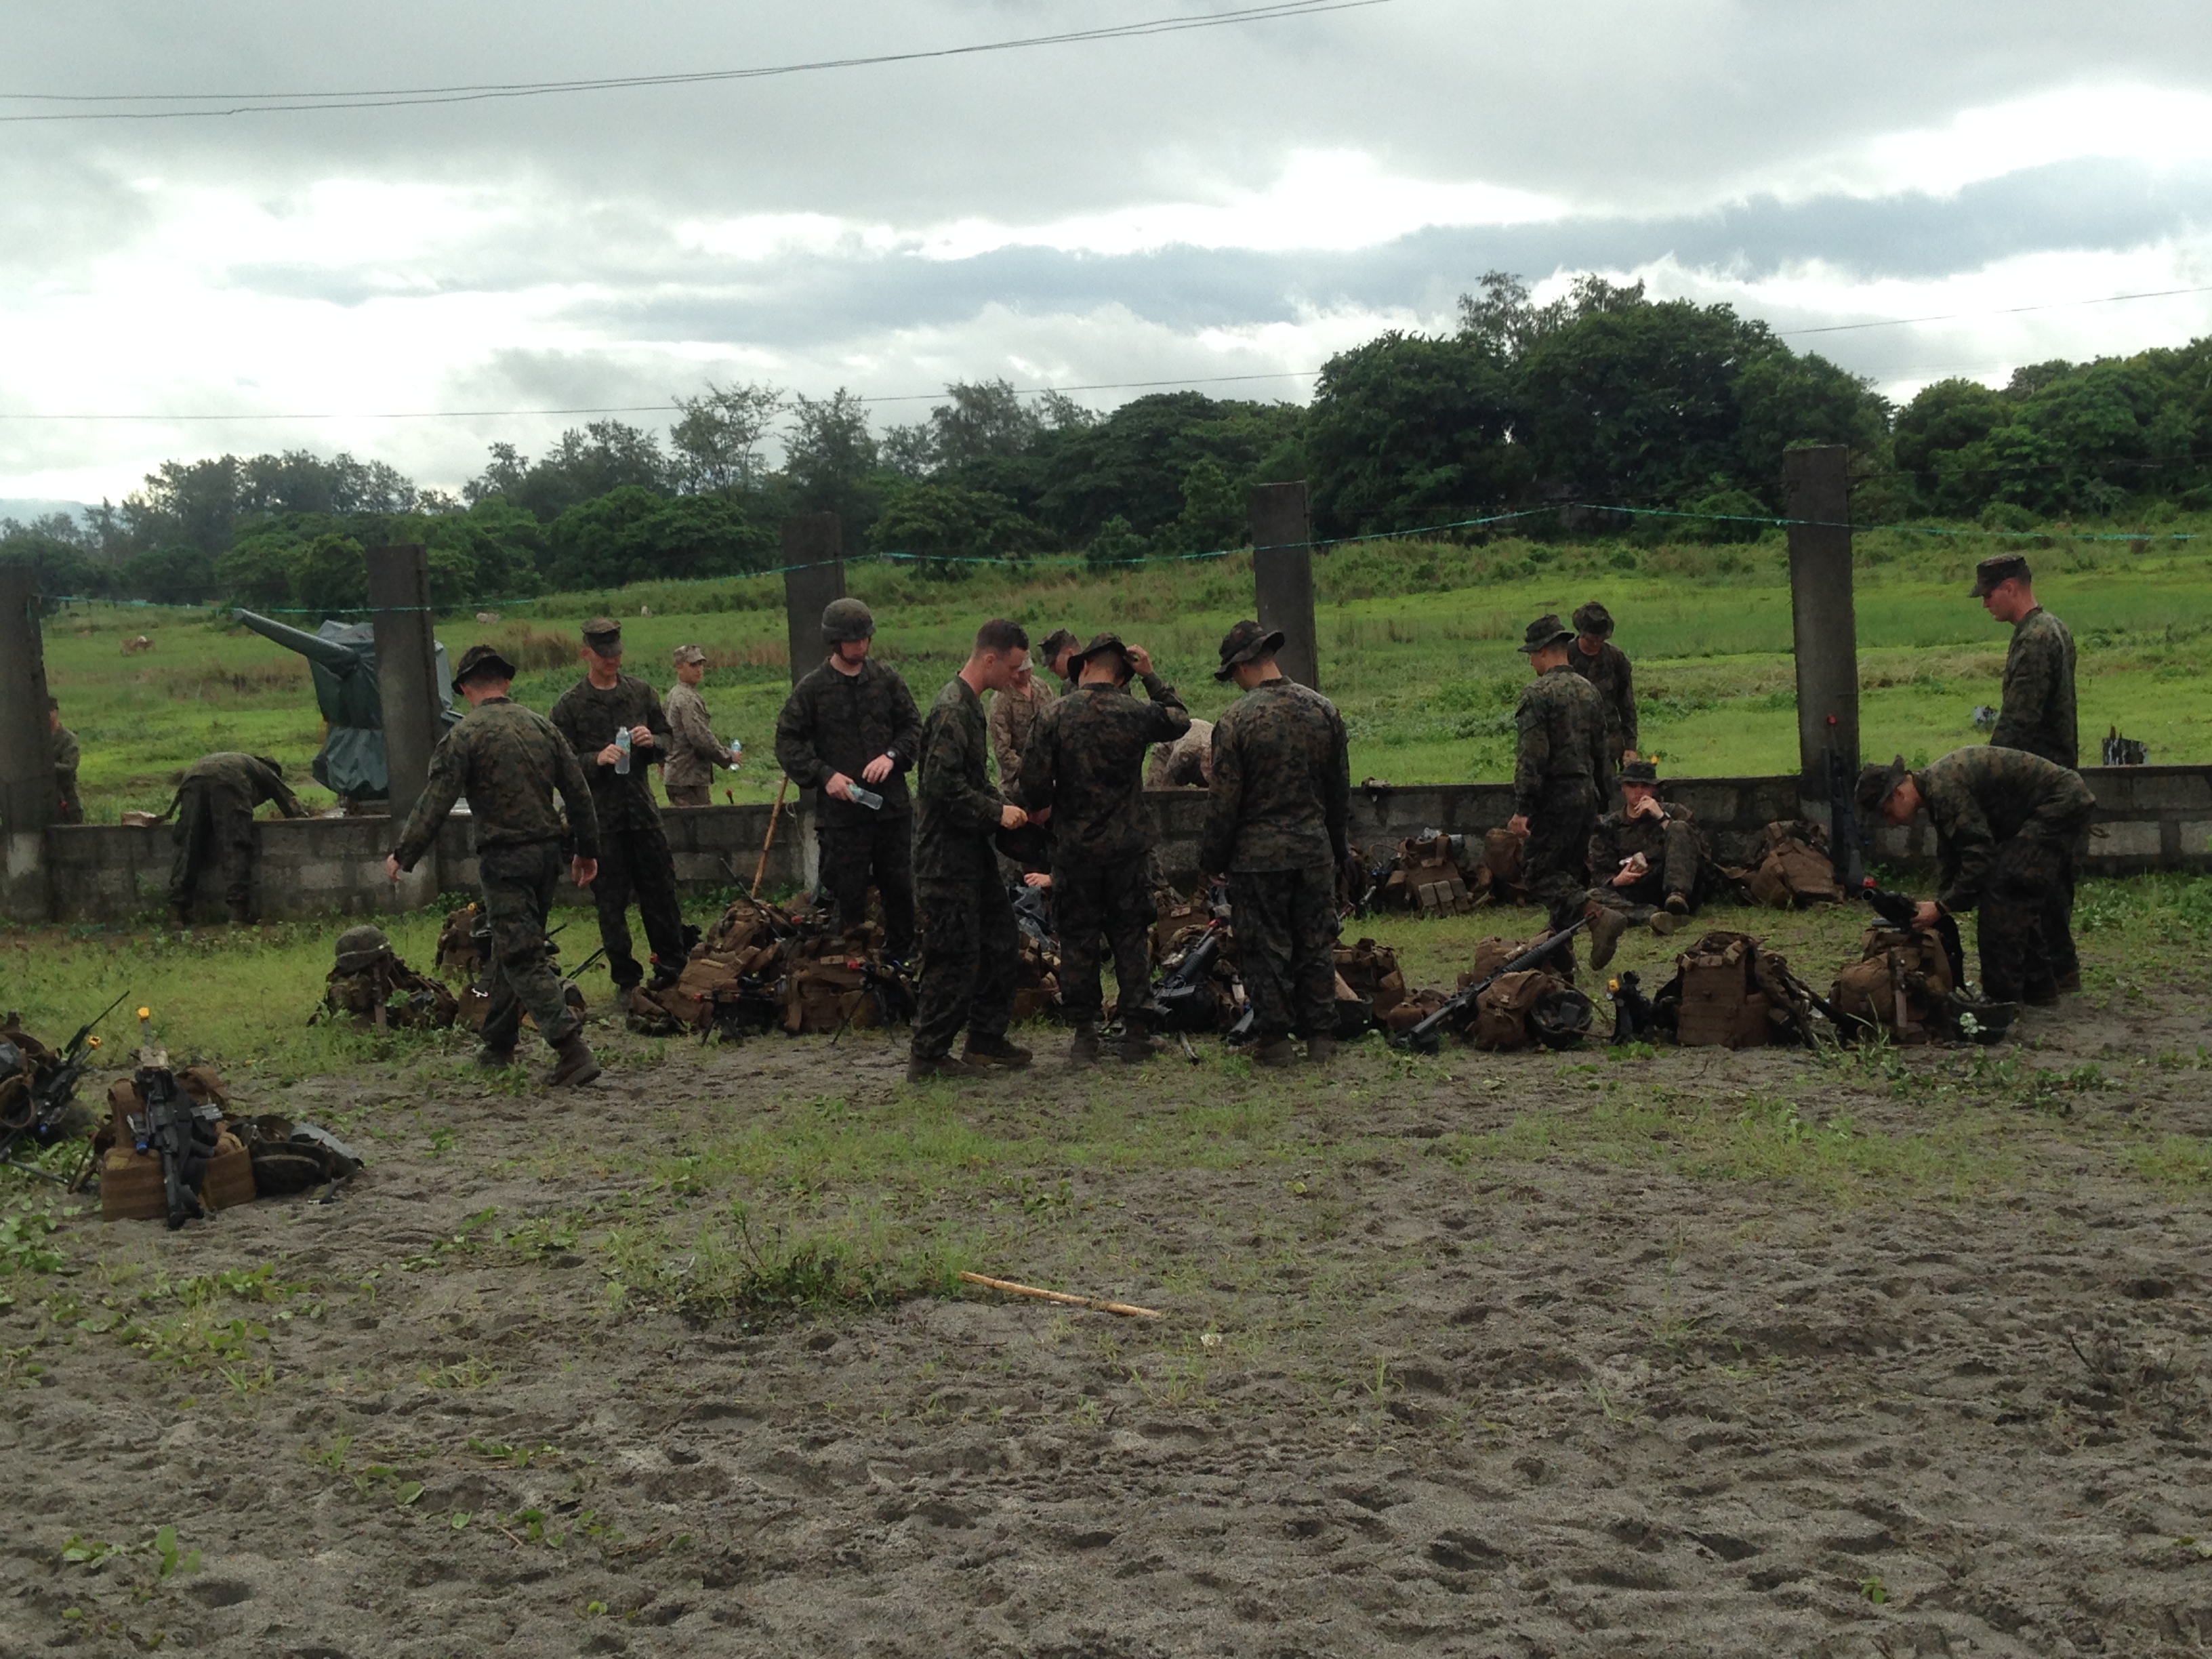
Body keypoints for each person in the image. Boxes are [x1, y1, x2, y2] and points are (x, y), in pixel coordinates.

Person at [386, 644, 603, 1086]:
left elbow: (436, 801)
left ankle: (571, 1050)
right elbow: (579, 793)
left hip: (505, 859)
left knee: (522, 954)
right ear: (506, 682)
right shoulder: (543, 727)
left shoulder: (464, 735)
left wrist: (404, 854)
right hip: (547, 856)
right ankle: (498, 1042)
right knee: (513, 945)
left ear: (466, 687)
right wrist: (586, 850)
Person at [1019, 633, 1191, 1065]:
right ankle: (1136, 1032)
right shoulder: (1134, 712)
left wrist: (1053, 806)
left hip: (1074, 850)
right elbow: (1179, 720)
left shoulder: (1054, 715)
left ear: (1085, 665)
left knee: (1077, 937)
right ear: (1122, 674)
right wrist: (1151, 675)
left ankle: (1085, 1036)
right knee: (1130, 936)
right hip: (1127, 848)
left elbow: (1033, 786)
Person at [1200, 620, 1351, 1067]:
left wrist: (1212, 860)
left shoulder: (1235, 721)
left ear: (1243, 666)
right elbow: (1339, 794)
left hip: (1257, 856)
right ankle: (1321, 1038)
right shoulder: (1323, 709)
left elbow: (1224, 803)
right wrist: (1337, 850)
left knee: (1264, 948)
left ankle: (1276, 1041)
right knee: (1315, 944)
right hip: (1313, 849)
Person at [1856, 745, 2095, 1004]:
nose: (1892, 823)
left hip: (2060, 802)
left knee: (2004, 895)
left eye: (1887, 814)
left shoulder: (1944, 790)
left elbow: (1980, 857)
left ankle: (2001, 1001)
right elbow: (1954, 856)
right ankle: (2039, 991)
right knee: (2013, 892)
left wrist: (1941, 907)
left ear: (1898, 794)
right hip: (2050, 803)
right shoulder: (1934, 791)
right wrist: (1937, 908)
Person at [909, 619, 1036, 1081]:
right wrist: (994, 813)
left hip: (971, 854)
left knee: (1000, 940)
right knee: (952, 955)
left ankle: (985, 1040)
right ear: (990, 659)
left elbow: (973, 780)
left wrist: (1006, 806)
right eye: (1015, 667)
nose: (1019, 677)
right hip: (945, 860)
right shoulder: (951, 710)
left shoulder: (972, 707)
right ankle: (929, 1055)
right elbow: (941, 787)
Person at [775, 598, 922, 960]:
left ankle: (902, 957)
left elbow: (913, 728)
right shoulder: (813, 689)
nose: (860, 646)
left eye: (865, 639)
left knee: (899, 888)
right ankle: (849, 965)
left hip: (891, 809)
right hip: (842, 817)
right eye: (852, 640)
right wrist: (824, 775)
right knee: (848, 893)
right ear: (835, 641)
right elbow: (787, 740)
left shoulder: (887, 680)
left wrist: (892, 757)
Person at [548, 618, 687, 996]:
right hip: (600, 819)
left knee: (660, 893)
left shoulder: (640, 693)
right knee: (610, 903)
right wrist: (596, 759)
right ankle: (626, 978)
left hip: (642, 812)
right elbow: (559, 763)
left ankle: (672, 967)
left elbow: (668, 740)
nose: (612, 661)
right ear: (587, 654)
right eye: (604, 655)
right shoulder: (570, 706)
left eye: (617, 654)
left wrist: (651, 741)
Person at [1506, 614, 1613, 950]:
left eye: (1531, 656)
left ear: (1542, 652)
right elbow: (1602, 753)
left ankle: (1595, 914)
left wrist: (1524, 809)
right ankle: (1560, 953)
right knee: (1566, 874)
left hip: (1556, 797)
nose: (1530, 663)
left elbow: (1532, 756)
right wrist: (1603, 804)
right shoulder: (1589, 691)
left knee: (1538, 873)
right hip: (1588, 795)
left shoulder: (1538, 694)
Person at [1580, 759, 1706, 968]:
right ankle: (1655, 916)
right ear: (1623, 788)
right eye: (1632, 785)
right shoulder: (1611, 826)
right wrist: (1617, 880)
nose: (1639, 791)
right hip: (1636, 890)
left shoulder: (1673, 812)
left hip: (1675, 882)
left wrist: (1661, 817)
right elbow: (1599, 871)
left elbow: (1699, 849)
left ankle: (1677, 900)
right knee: (1590, 897)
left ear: (1654, 788)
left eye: (1645, 786)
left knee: (1679, 828)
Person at [166, 752, 307, 926]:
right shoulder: (266, 771)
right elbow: (290, 803)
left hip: (192, 779)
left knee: (189, 844)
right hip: (228, 783)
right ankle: (238, 912)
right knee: (235, 844)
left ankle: (176, 911)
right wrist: (305, 822)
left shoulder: (238, 761)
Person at [1973, 554, 2078, 769]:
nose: (1985, 604)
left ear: (2010, 588)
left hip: (2038, 776)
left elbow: (2019, 722)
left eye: (1988, 595)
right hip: (2058, 772)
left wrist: (1989, 771)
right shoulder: (2054, 626)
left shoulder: (2034, 639)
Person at [989, 626, 1080, 797]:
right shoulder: (1002, 699)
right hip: (1016, 786)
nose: (1024, 675)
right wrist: (1031, 770)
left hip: (1049, 781)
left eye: (1027, 670)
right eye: (1019, 671)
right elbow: (1002, 749)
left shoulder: (1042, 688)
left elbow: (1057, 725)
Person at [661, 644, 742, 807]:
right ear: (679, 667)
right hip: (688, 778)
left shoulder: (674, 694)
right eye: (693, 665)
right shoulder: (687, 699)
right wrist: (728, 757)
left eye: (701, 664)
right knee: (700, 828)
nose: (699, 669)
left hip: (677, 775)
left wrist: (663, 761)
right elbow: (700, 737)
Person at [1566, 601, 1637, 771]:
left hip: (1609, 747)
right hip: (1571, 749)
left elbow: (1627, 706)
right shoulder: (1565, 657)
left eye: (1601, 639)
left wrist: (1631, 746)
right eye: (1591, 639)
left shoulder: (1616, 659)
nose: (1596, 644)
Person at [1144, 718, 1215, 790]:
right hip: (1169, 747)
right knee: (1156, 788)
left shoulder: (1220, 753)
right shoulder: (1183, 756)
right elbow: (1167, 781)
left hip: (1203, 741)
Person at [49, 698, 82, 824]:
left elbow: (70, 766)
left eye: (49, 712)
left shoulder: (68, 739)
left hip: (66, 797)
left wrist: (47, 767)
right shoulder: (35, 739)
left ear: (56, 712)